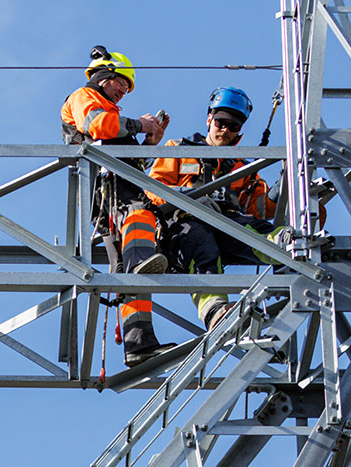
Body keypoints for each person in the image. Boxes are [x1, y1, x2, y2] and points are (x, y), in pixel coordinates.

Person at [61, 46, 172, 366]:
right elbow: (97, 126)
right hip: (106, 189)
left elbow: (132, 163)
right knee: (140, 218)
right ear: (104, 76)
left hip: (116, 188)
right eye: (121, 82)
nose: (124, 90)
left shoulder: (111, 114)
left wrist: (149, 143)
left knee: (126, 268)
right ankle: (141, 262)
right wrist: (139, 125)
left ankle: (139, 342)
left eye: (127, 87)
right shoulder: (84, 97)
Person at [148, 88, 284, 333]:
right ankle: (215, 310)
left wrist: (284, 185)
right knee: (199, 242)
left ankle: (285, 246)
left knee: (251, 229)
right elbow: (154, 188)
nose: (225, 130)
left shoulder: (242, 168)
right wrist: (187, 198)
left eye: (233, 127)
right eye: (221, 122)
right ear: (210, 119)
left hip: (226, 226)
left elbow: (260, 207)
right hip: (183, 225)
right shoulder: (179, 149)